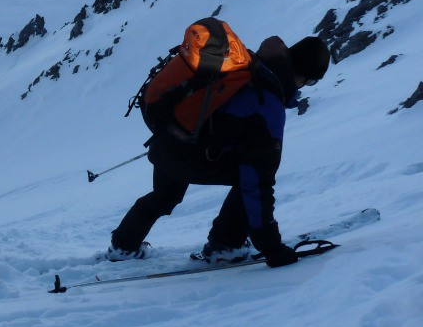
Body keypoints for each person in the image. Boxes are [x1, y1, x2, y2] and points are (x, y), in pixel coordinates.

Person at [105, 34, 332, 267]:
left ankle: (123, 246)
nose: (305, 86)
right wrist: (272, 248)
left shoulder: (248, 66)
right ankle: (225, 246)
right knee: (250, 177)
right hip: (190, 152)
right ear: (301, 75)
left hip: (167, 138)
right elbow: (258, 183)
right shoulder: (268, 103)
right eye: (310, 81)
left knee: (163, 197)